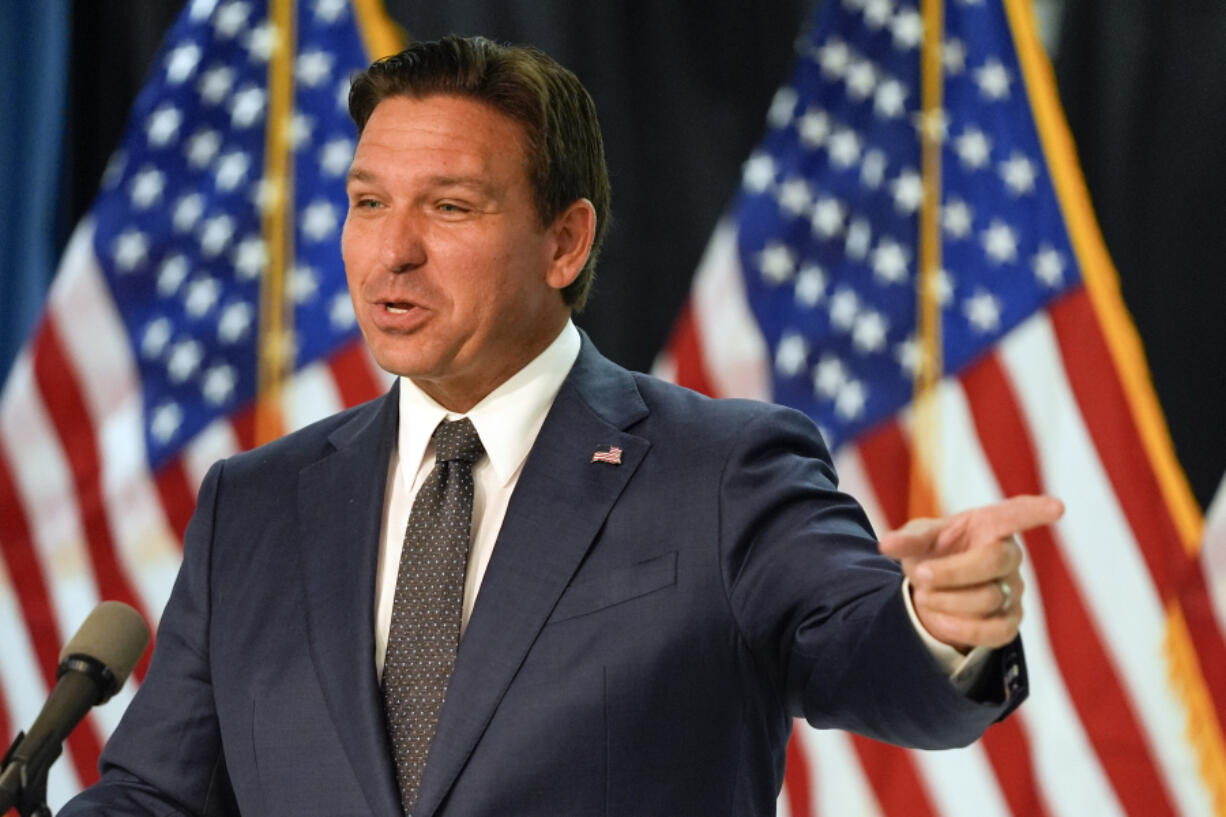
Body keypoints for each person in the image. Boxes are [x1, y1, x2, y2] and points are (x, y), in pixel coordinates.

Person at [61, 35, 1061, 817]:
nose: (389, 253)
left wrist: (937, 628)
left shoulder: (720, 470)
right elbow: (161, 791)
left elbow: (858, 659)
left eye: (448, 207)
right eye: (367, 203)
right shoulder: (258, 503)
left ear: (564, 239)